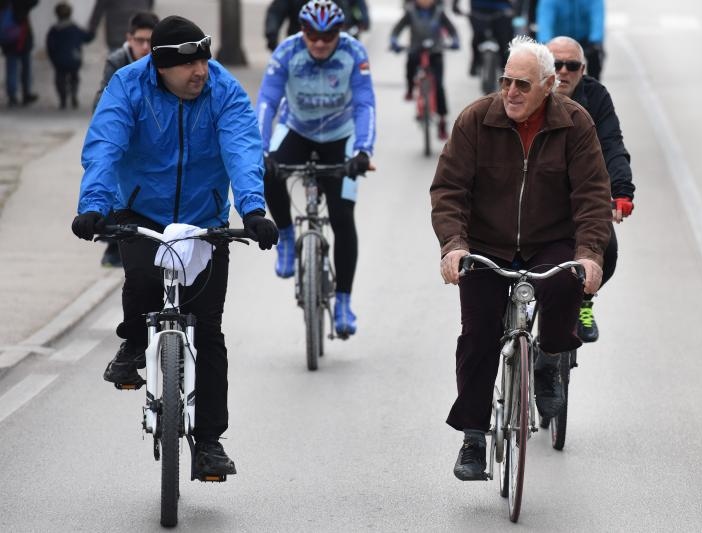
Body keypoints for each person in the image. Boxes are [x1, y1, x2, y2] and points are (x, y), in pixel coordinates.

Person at [71, 15, 278, 477]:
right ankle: (132, 344)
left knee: (208, 331)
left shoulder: (223, 91)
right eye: (188, 65)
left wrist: (253, 210)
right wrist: (94, 206)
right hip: (141, 211)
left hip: (204, 219)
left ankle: (209, 444)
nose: (200, 71)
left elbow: (242, 149)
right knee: (144, 280)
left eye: (204, 61)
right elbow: (104, 146)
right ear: (160, 67)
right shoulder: (128, 87)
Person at [430, 35, 611, 481]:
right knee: (478, 334)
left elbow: (592, 197)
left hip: (550, 239)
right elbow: (449, 190)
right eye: (506, 81)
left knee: (565, 283)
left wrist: (589, 256)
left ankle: (549, 359)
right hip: (485, 244)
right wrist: (454, 245)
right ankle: (473, 437)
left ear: (548, 86)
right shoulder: (476, 120)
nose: (510, 92)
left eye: (522, 85)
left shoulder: (576, 123)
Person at [256, 0, 376, 337]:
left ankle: (343, 302)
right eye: (312, 35)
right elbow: (267, 101)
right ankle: (285, 235)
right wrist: (260, 149)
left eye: (328, 36)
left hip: (341, 136)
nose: (320, 43)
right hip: (297, 129)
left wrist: (363, 151)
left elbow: (365, 104)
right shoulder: (287, 51)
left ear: (340, 32)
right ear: (302, 30)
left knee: (342, 217)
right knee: (266, 170)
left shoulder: (354, 52)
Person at [547, 35, 634, 343]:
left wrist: (621, 192)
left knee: (606, 249)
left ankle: (584, 301)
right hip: (537, 196)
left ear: (582, 70)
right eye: (555, 64)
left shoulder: (596, 97)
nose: (563, 71)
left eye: (571, 65)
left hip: (584, 194)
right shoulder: (527, 93)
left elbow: (612, 145)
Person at [91, 11, 159, 268]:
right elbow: (102, 101)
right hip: (125, 136)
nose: (145, 47)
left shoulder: (163, 62)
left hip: (154, 139)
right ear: (129, 39)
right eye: (140, 40)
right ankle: (113, 244)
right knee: (114, 182)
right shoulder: (117, 61)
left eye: (150, 41)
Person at [390, 0, 459, 141]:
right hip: (416, 49)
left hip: (435, 52)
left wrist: (455, 40)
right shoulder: (410, 12)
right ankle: (410, 89)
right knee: (410, 67)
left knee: (439, 86)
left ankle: (442, 120)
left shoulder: (439, 12)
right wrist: (394, 41)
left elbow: (452, 30)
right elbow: (397, 29)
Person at [536, 0, 604, 79]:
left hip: (585, 40)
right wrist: (546, 44)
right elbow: (544, 22)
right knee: (547, 61)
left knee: (595, 56)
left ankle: (594, 82)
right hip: (559, 41)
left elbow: (597, 19)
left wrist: (595, 41)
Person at [45, 2, 93, 110]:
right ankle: (73, 94)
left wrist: (53, 58)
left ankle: (63, 99)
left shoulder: (54, 30)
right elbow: (87, 37)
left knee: (60, 79)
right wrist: (92, 29)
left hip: (59, 60)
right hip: (74, 58)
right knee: (74, 77)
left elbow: (50, 46)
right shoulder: (75, 28)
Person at [452, 0, 513, 77]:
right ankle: (475, 62)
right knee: (476, 39)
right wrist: (455, 5)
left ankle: (505, 66)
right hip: (478, 10)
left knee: (504, 42)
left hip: (501, 10)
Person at [1, 0, 39, 107]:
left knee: (11, 68)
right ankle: (26, 93)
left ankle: (12, 96)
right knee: (26, 68)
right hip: (23, 37)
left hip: (9, 39)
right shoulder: (22, 2)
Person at [87, 0, 153, 51]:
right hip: (126, 35)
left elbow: (98, 9)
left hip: (121, 36)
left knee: (117, 60)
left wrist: (92, 29)